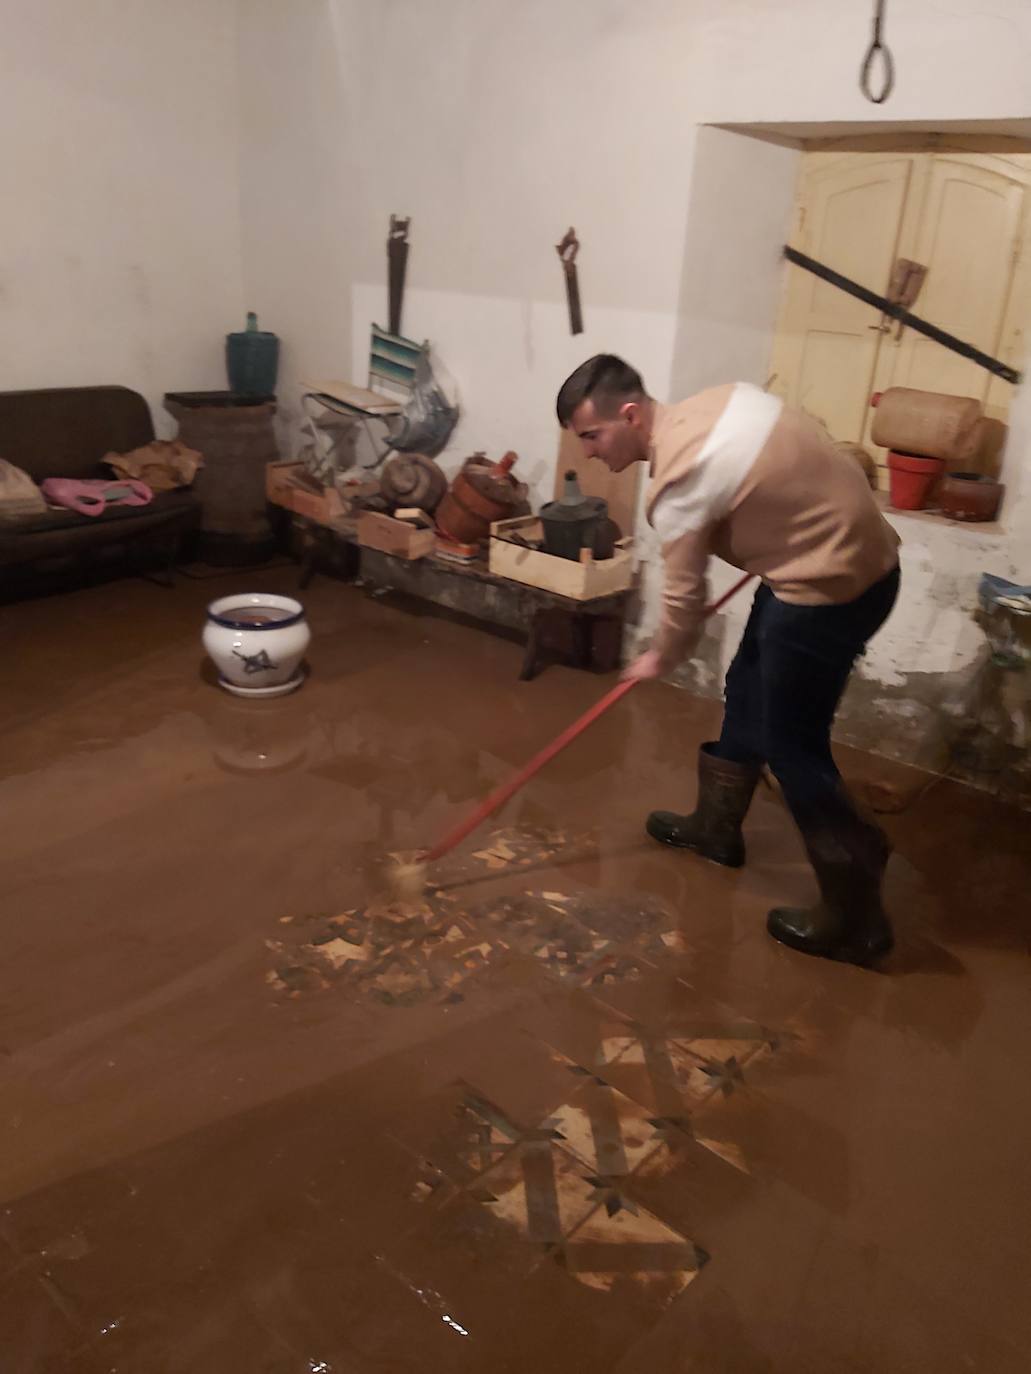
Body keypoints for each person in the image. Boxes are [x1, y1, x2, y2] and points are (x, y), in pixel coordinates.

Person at [556, 355, 901, 967]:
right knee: (747, 683)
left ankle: (856, 911)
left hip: (829, 586)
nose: (588, 454)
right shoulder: (722, 401)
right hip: (838, 556)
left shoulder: (681, 479)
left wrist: (661, 655)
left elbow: (683, 596)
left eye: (592, 436)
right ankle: (716, 830)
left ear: (630, 414)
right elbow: (810, 454)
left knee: (793, 745)